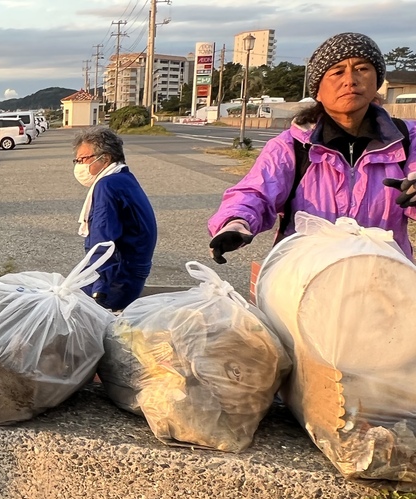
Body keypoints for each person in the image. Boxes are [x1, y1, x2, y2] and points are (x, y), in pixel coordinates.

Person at [209, 32, 416, 264]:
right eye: (337, 72)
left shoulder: (407, 139)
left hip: (386, 279)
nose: (350, 80)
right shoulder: (291, 146)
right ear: (317, 90)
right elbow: (255, 191)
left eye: (362, 68)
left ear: (376, 81)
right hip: (305, 279)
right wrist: (236, 222)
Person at [73, 126, 158, 311]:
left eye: (82, 159)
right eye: (77, 160)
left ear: (105, 158)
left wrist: (99, 289)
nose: (79, 165)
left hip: (116, 281)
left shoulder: (107, 186)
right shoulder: (123, 178)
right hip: (129, 275)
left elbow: (102, 242)